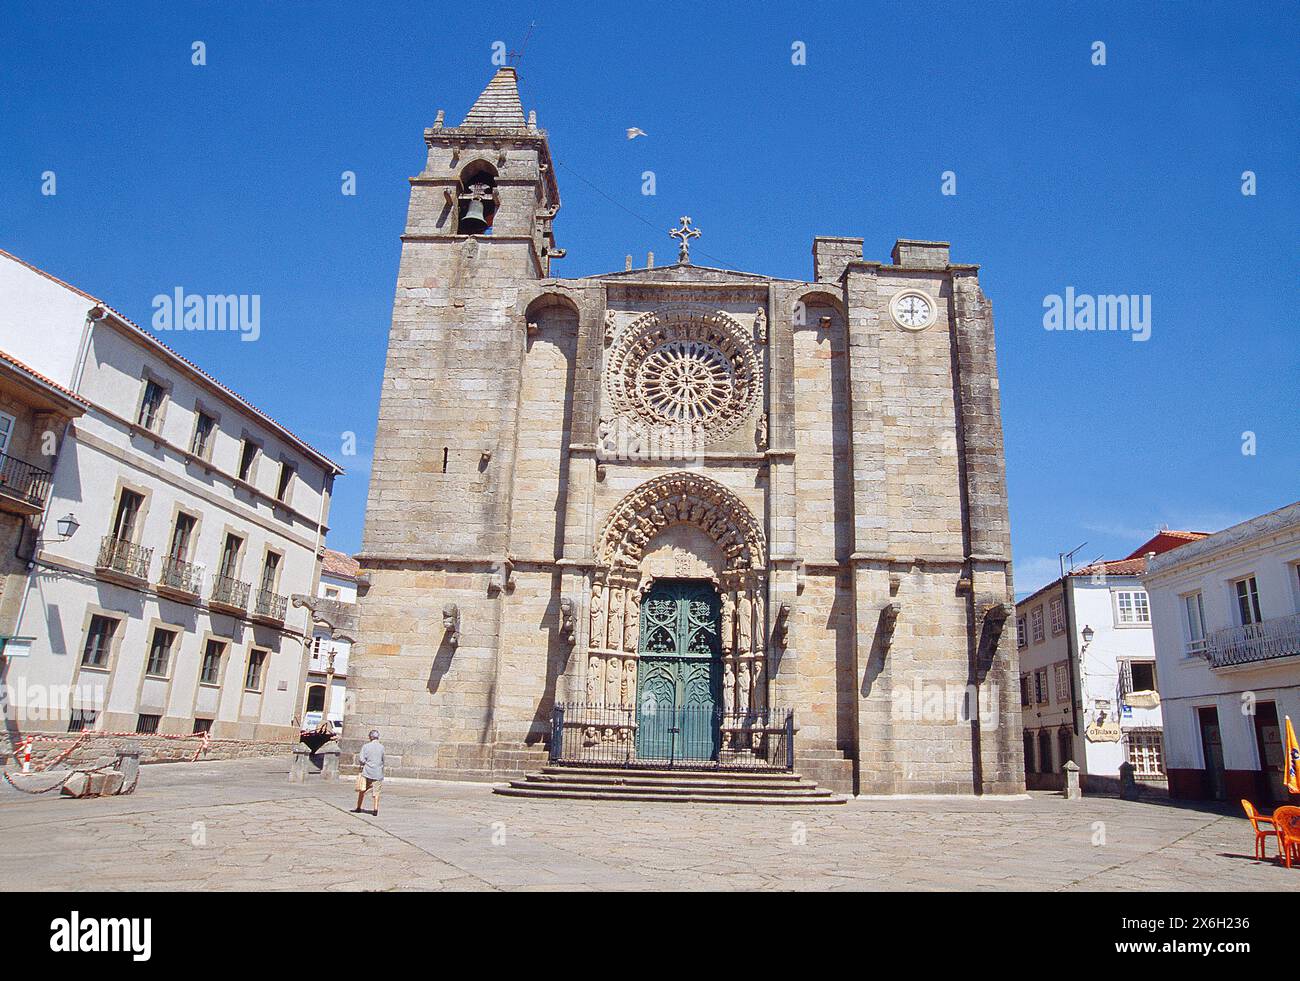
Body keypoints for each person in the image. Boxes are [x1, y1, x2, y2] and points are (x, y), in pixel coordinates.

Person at [354, 729, 384, 815]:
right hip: (378, 772)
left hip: (367, 772)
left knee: (362, 790)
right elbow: (383, 760)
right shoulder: (381, 747)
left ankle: (359, 807)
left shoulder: (365, 746)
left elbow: (361, 759)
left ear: (370, 737)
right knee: (376, 792)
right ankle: (375, 809)